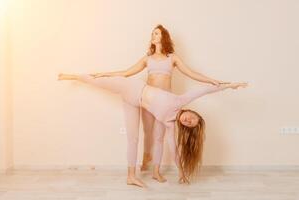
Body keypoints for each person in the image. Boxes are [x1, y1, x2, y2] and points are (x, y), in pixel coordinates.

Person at [90, 24, 229, 182]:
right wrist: (105, 75)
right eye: (152, 34)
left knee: (159, 137)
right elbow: (125, 73)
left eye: (156, 33)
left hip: (166, 103)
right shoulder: (147, 59)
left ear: (163, 37)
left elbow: (191, 73)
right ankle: (145, 159)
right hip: (147, 99)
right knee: (148, 132)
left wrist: (211, 81)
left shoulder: (172, 58)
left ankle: (156, 171)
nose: (153, 36)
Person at [58, 73, 248, 187]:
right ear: (190, 111)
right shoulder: (180, 100)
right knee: (98, 81)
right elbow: (204, 90)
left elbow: (174, 152)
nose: (188, 120)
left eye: (189, 123)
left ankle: (130, 177)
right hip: (133, 87)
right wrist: (230, 86)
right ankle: (71, 76)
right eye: (192, 117)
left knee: (133, 139)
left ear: (185, 127)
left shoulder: (170, 123)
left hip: (133, 102)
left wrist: (181, 172)